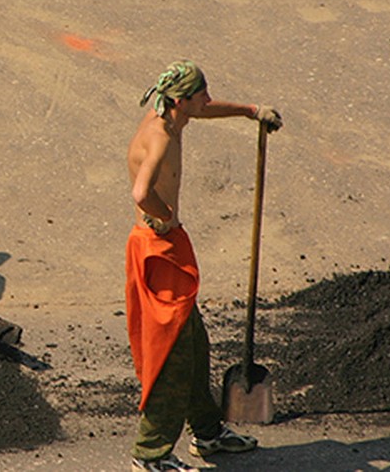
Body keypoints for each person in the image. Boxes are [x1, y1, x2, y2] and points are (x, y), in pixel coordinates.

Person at [124, 60, 282, 472]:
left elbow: (205, 109)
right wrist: (164, 216)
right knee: (172, 356)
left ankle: (208, 433)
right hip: (156, 250)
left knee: (193, 344)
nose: (207, 101)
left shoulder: (172, 116)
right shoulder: (159, 137)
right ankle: (150, 453)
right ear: (181, 100)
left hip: (168, 245)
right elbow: (141, 192)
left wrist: (250, 111)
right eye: (201, 95)